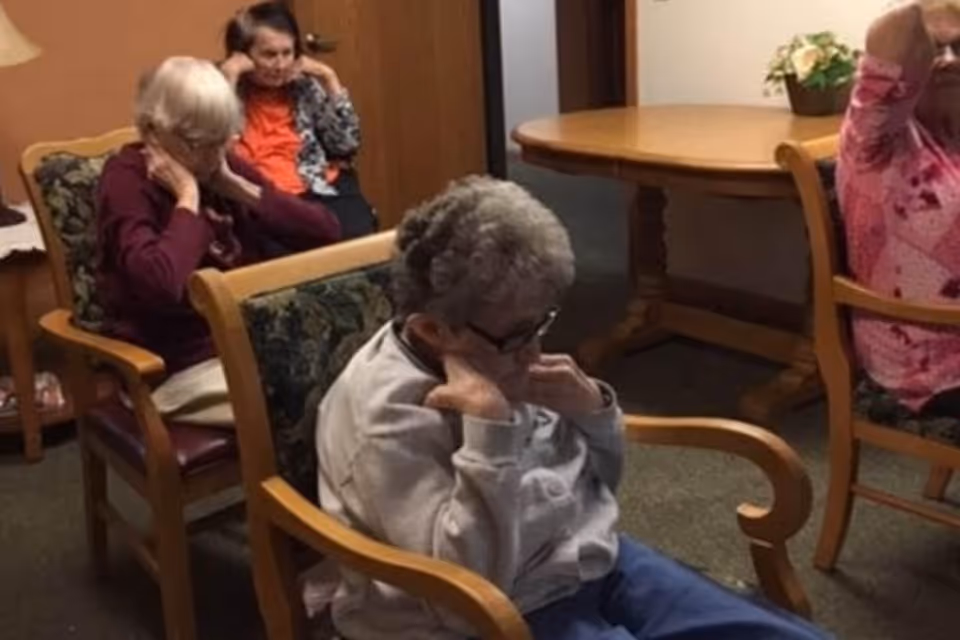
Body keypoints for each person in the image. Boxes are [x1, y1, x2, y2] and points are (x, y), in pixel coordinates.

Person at [314, 176, 829, 639]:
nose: (535, 353)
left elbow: (597, 488)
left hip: (590, 562)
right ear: (431, 329)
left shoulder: (490, 347)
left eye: (543, 324)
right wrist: (489, 433)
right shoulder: (386, 419)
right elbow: (463, 595)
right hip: (495, 615)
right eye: (519, 334)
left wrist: (591, 413)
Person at [96, 56, 341, 427]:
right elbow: (159, 282)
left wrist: (238, 188)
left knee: (343, 379)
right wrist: (188, 198)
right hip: (178, 364)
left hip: (251, 340)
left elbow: (325, 233)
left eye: (221, 140)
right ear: (151, 130)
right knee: (306, 404)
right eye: (198, 144)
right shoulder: (125, 181)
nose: (212, 157)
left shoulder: (219, 165)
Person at [839, 0, 960, 413]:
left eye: (959, 51)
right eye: (936, 50)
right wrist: (927, 14)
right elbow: (890, 51)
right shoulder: (875, 142)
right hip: (927, 363)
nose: (946, 62)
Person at [220, 1, 376, 240]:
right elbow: (214, 145)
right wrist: (229, 76)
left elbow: (346, 145)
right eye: (269, 55)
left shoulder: (303, 86)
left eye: (287, 53)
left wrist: (329, 78)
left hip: (318, 185)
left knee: (361, 239)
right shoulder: (222, 89)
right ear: (243, 54)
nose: (281, 65)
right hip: (263, 197)